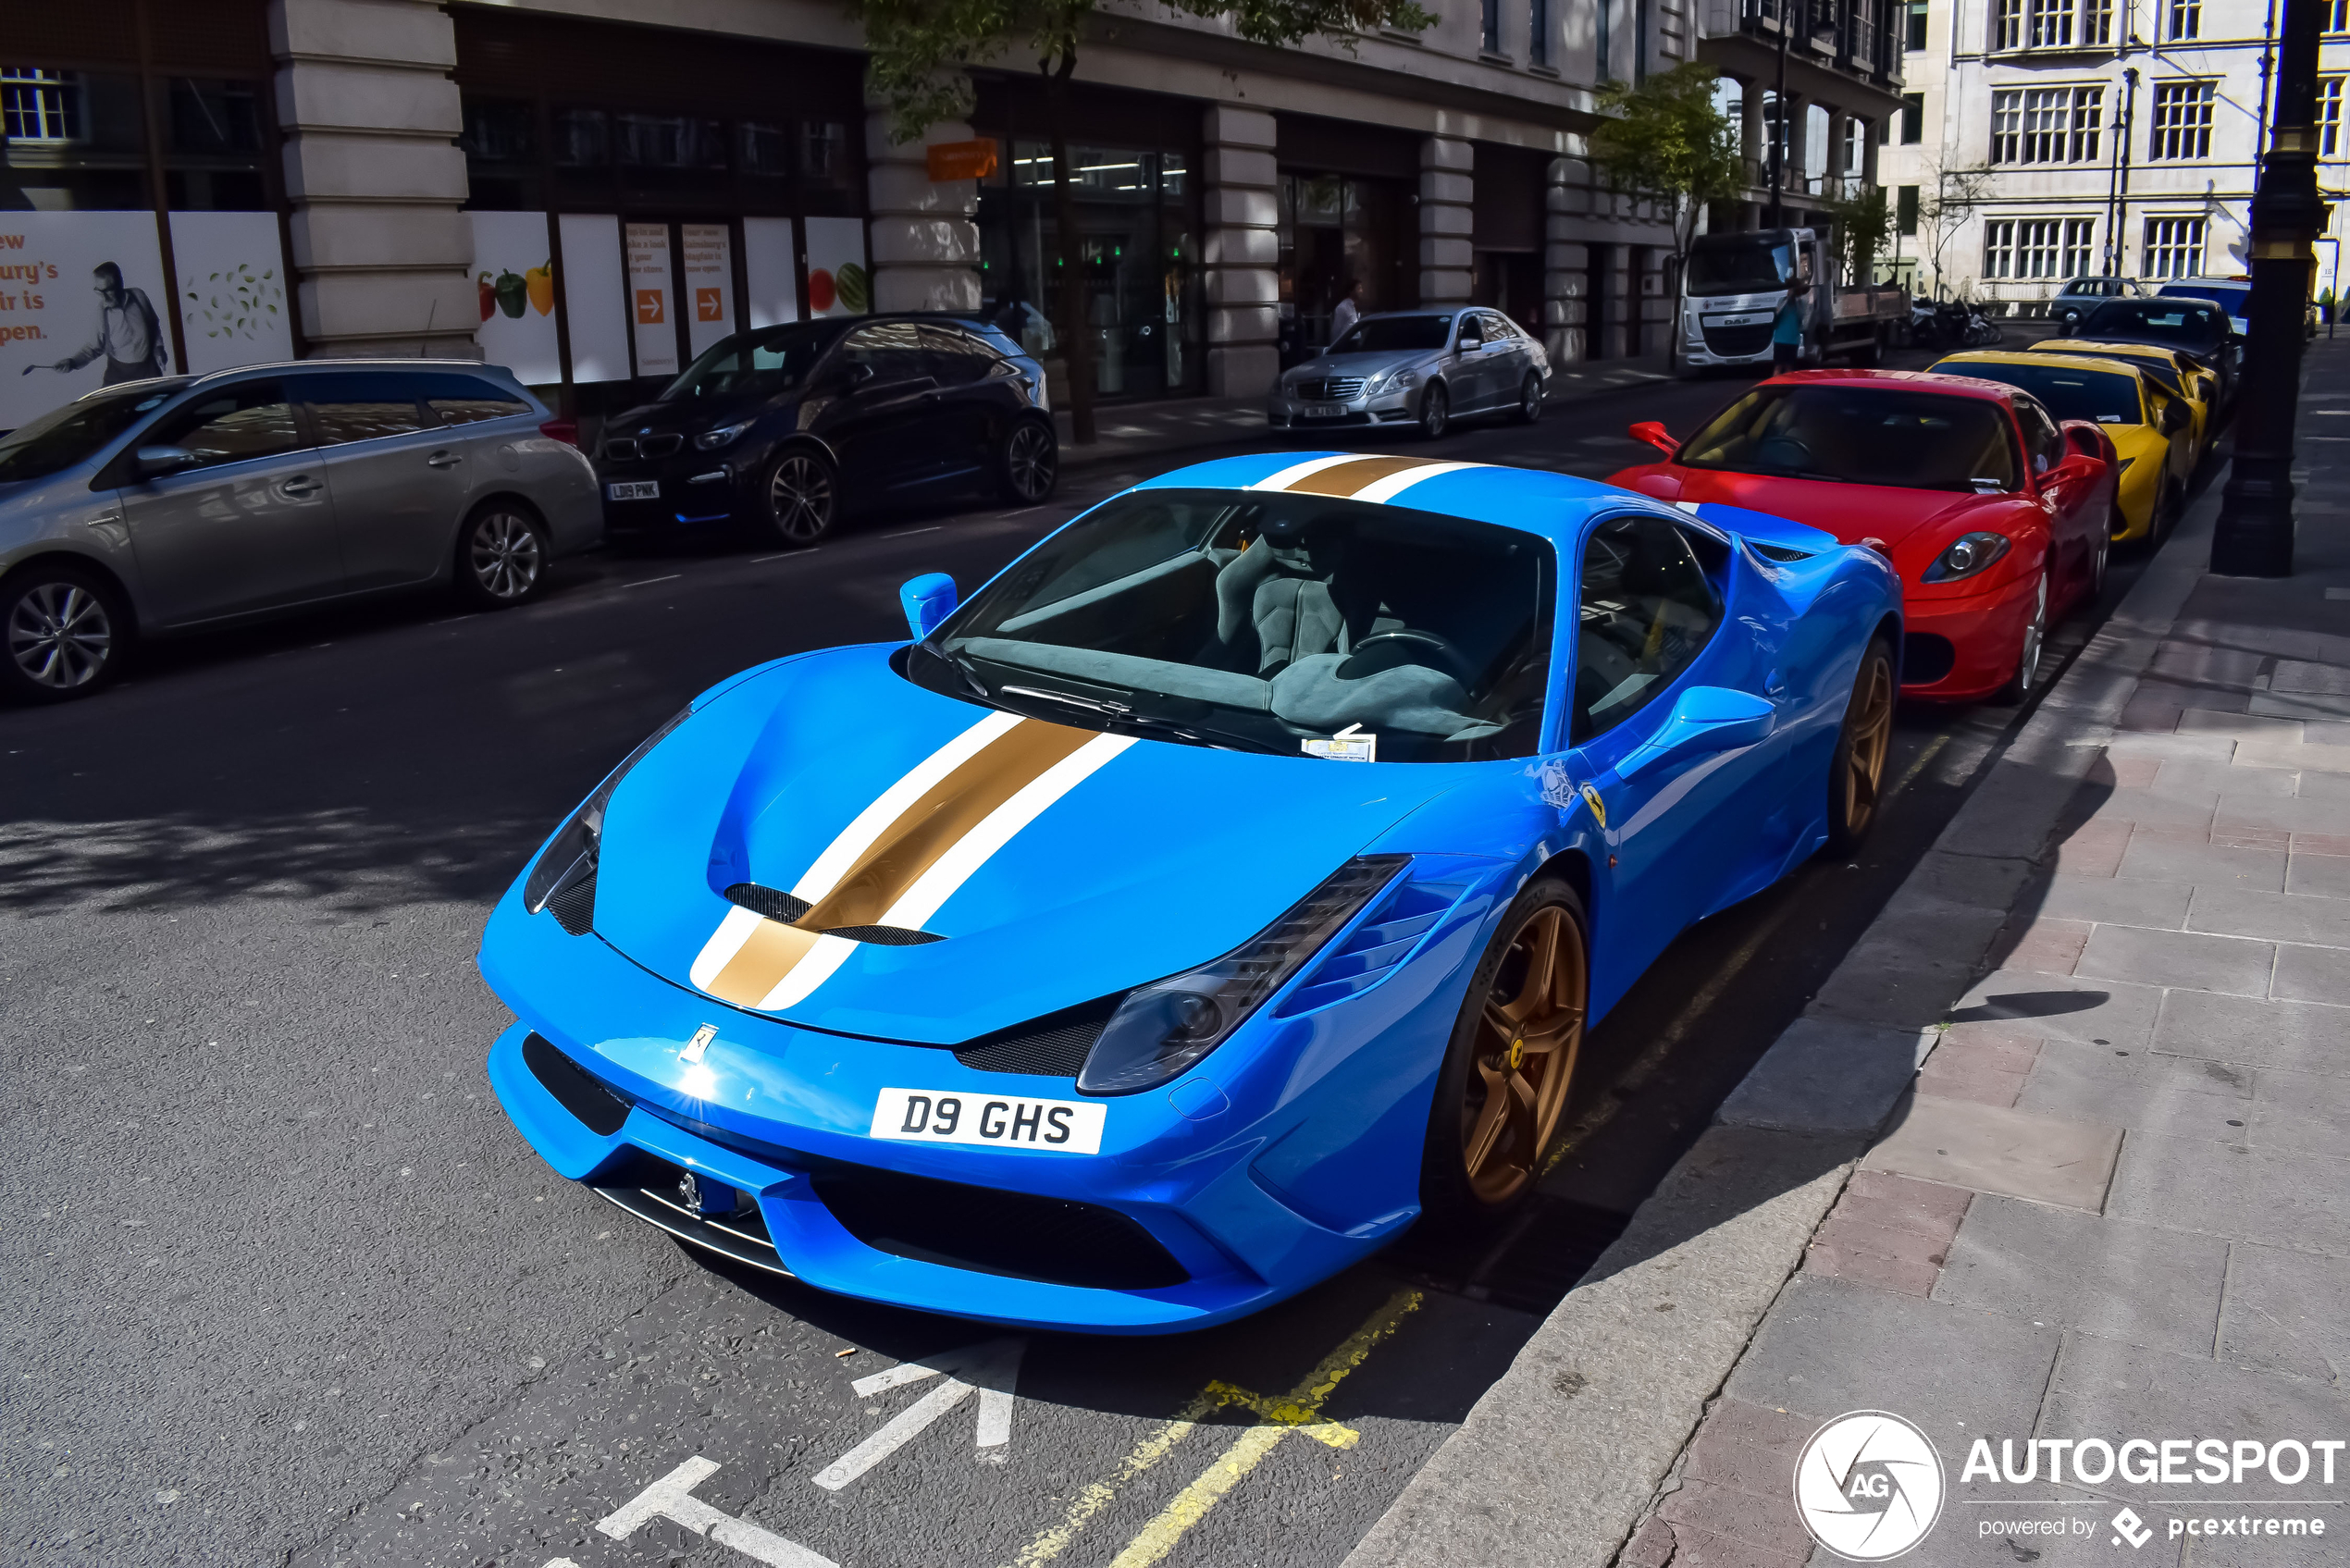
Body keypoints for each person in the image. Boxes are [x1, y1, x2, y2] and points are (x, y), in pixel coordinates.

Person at [44, 263, 169, 385]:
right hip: (118, 376)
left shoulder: (138, 296)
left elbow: (153, 325)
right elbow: (93, 348)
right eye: (99, 291)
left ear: (120, 283)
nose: (104, 297)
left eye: (108, 291)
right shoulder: (101, 313)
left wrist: (159, 348)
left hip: (148, 371)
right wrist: (72, 362)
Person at [1771, 279, 1810, 374]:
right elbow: (1777, 314)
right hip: (1780, 340)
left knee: (1789, 368)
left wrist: (1796, 300)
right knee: (1778, 367)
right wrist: (1788, 298)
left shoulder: (1802, 303)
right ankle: (1776, 387)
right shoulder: (1782, 301)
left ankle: (1787, 387)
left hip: (1793, 340)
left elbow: (1801, 316)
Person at [1330, 278, 1365, 342]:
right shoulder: (1342, 307)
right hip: (1346, 344)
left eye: (1361, 288)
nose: (1361, 291)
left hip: (1356, 343)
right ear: (1351, 291)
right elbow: (1336, 331)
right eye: (1358, 288)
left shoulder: (1357, 306)